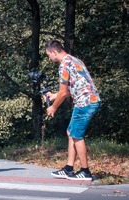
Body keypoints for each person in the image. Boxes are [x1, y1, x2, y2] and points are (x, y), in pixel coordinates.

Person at [45, 39, 101, 180]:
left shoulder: (64, 65)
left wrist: (53, 107)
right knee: (71, 132)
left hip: (85, 102)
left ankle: (85, 171)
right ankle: (69, 168)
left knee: (76, 135)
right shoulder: (75, 60)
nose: (49, 58)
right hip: (88, 100)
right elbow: (72, 88)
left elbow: (64, 93)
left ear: (53, 52)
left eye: (48, 55)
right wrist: (54, 96)